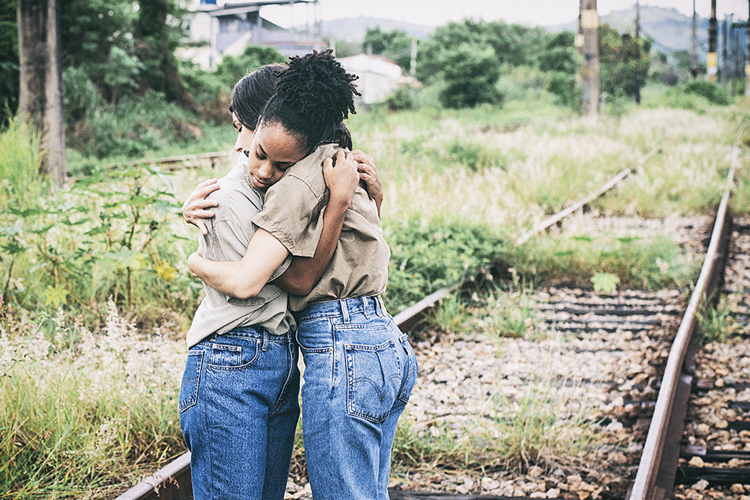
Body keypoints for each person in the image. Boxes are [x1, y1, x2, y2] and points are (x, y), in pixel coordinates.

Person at [188, 50, 418, 500]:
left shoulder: (299, 183)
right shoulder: (343, 161)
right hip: (384, 339)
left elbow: (269, 281)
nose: (254, 163)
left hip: (339, 344)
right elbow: (367, 247)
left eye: (243, 132)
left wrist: (194, 262)